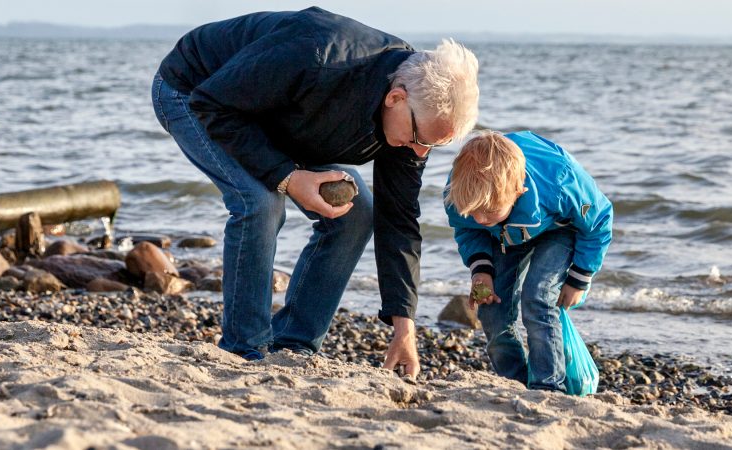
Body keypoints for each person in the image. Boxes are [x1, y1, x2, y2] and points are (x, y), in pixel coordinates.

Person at [150, 7, 480, 377]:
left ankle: (293, 344)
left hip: (277, 116)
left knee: (357, 214)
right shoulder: (317, 55)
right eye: (420, 139)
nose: (420, 153)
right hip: (195, 91)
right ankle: (245, 349)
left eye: (433, 146)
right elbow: (213, 104)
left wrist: (404, 327)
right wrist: (289, 178)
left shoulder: (414, 124)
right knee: (261, 202)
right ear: (395, 99)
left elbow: (399, 219)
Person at [443, 130, 613, 391]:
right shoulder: (460, 192)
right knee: (490, 307)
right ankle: (516, 382)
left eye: (486, 210)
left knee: (538, 298)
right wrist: (480, 269)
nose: (478, 217)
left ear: (518, 191)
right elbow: (469, 229)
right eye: (472, 211)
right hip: (500, 235)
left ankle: (548, 386)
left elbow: (599, 221)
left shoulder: (559, 180)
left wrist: (579, 278)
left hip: (557, 228)